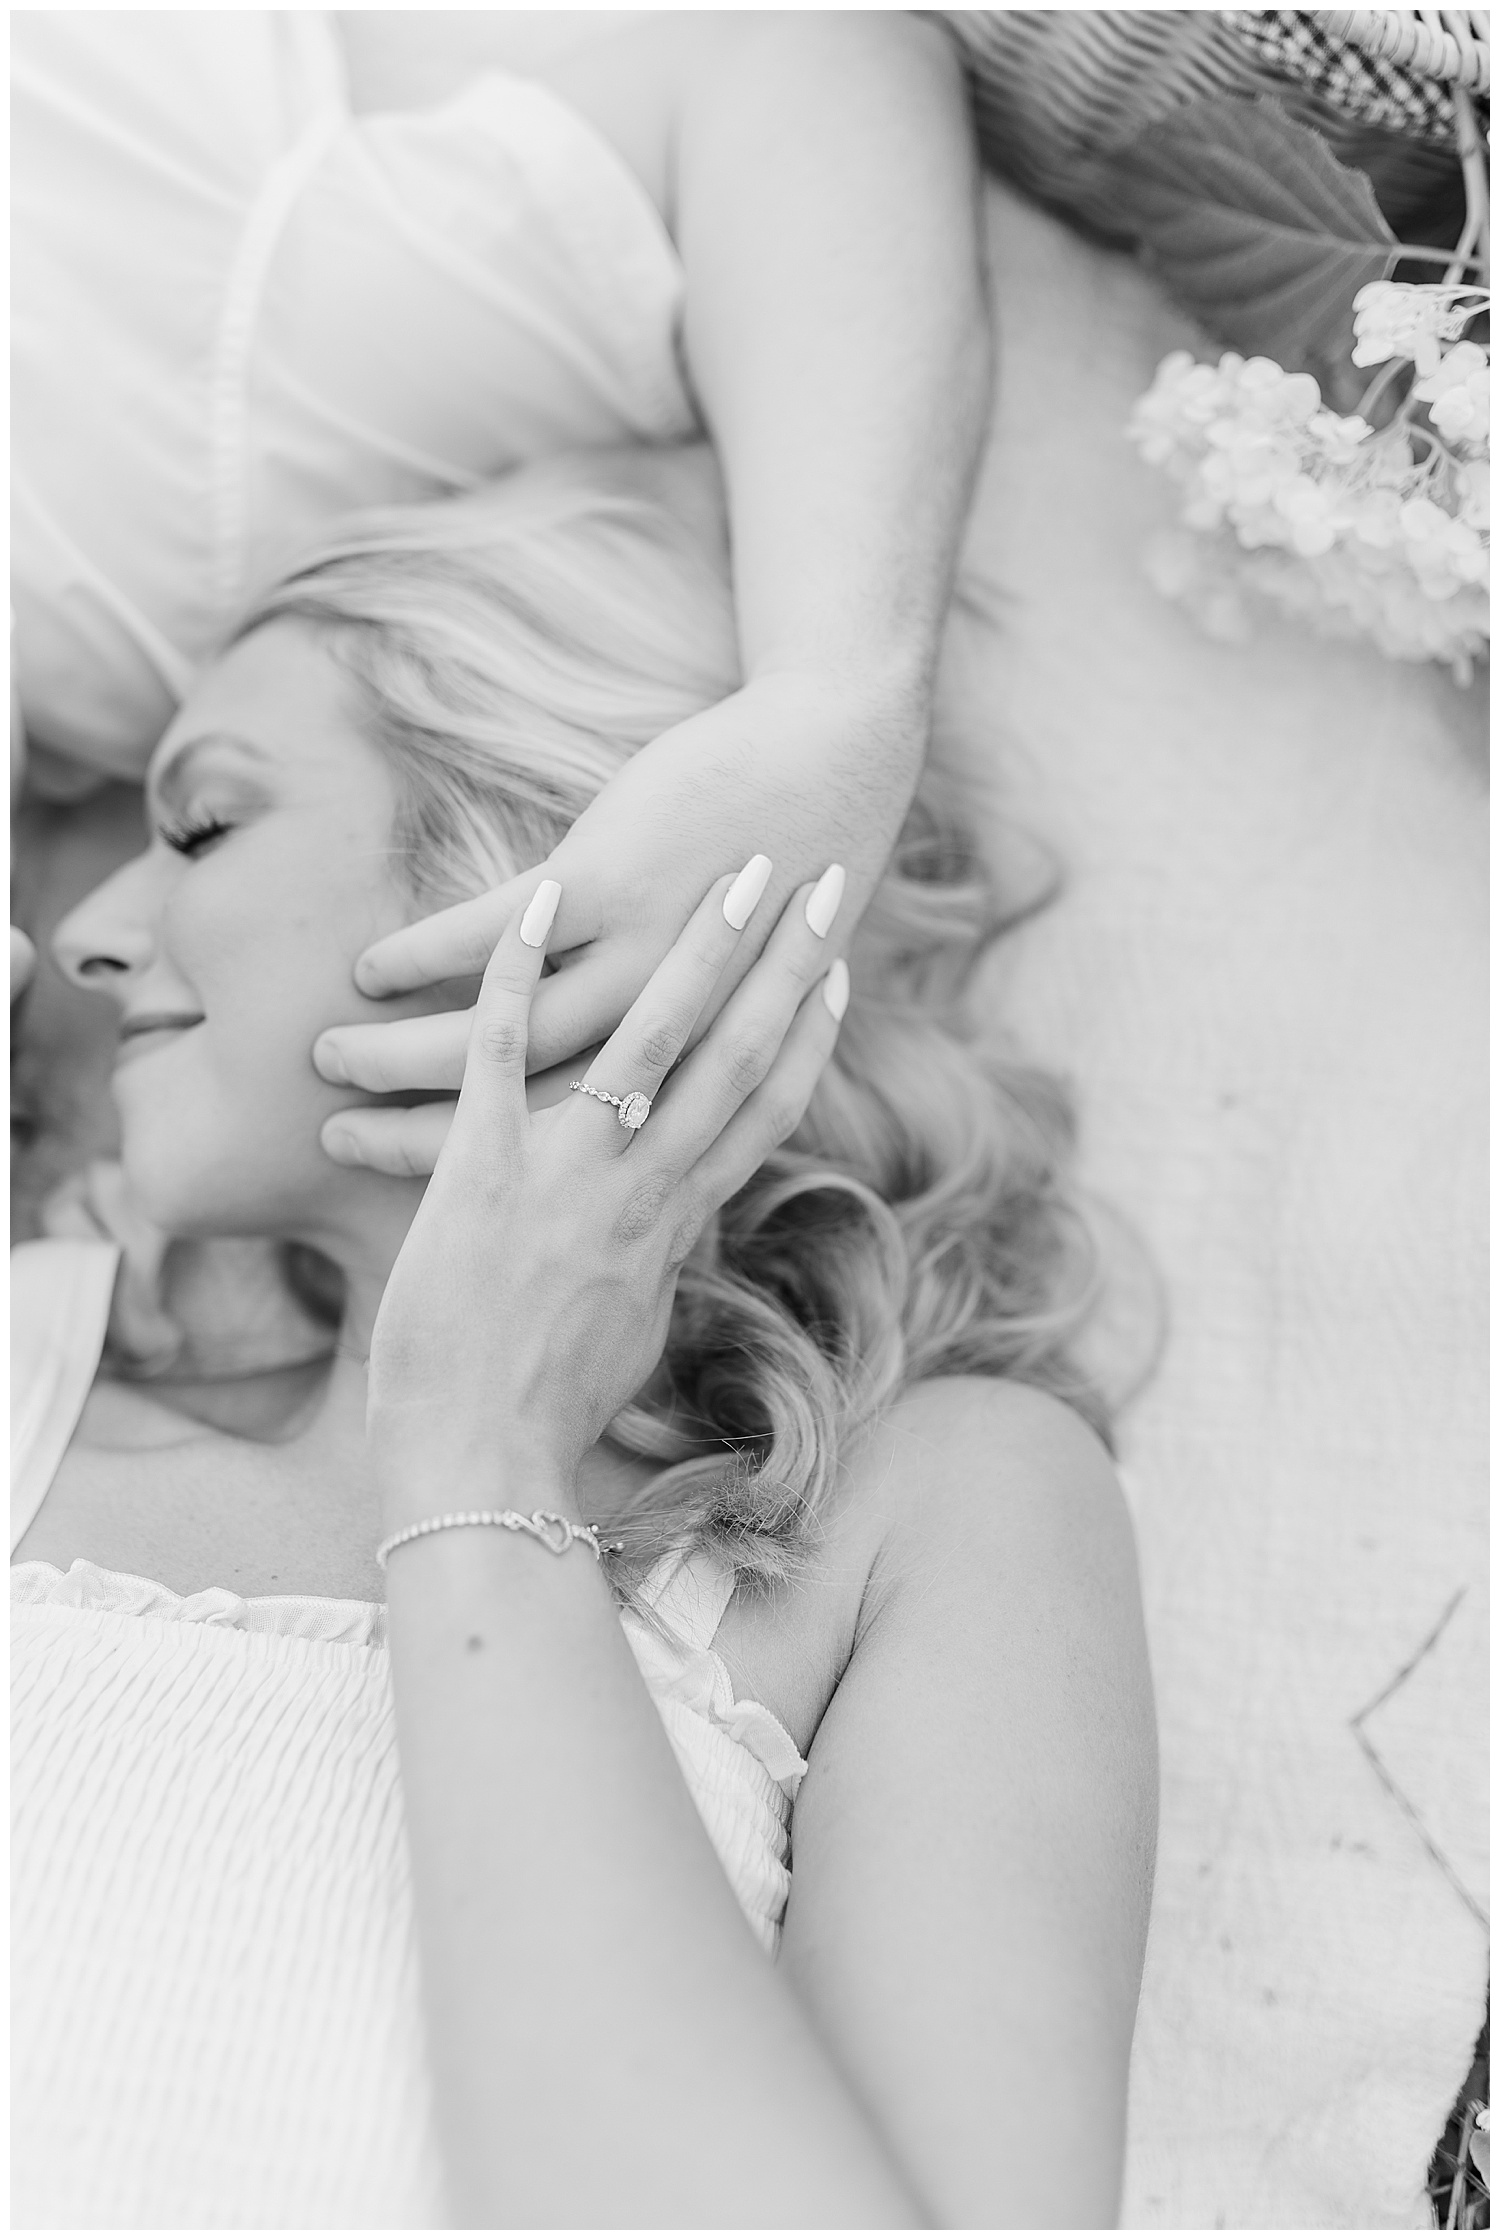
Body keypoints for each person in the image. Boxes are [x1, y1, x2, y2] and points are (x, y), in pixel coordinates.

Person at [13, 447, 1157, 2229]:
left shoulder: (937, 1509)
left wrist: (480, 1460)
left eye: (207, 823)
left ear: (539, 862)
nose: (80, 934)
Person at [13, 9, 989, 1080]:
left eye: (203, 827)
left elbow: (807, 67)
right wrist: (833, 694)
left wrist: (836, 700)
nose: (70, 948)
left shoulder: (178, 508)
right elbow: (809, 66)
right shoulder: (174, 554)